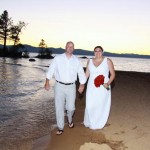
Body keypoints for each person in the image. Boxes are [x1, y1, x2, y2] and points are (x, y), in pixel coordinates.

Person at [44, 41, 86, 135]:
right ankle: (60, 127)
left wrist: (82, 85)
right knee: (59, 107)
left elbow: (81, 73)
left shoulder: (77, 60)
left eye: (72, 47)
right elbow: (51, 70)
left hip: (71, 86)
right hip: (59, 86)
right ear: (65, 47)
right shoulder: (58, 58)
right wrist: (47, 82)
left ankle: (70, 120)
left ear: (73, 49)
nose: (70, 48)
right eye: (68, 46)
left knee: (71, 108)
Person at [83, 46, 115, 130]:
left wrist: (108, 83)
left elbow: (113, 74)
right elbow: (86, 74)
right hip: (91, 86)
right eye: (95, 51)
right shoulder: (89, 61)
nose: (97, 53)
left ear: (102, 52)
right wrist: (82, 84)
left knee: (100, 104)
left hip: (103, 86)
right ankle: (89, 121)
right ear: (93, 52)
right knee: (90, 104)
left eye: (99, 51)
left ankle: (98, 123)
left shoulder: (107, 61)